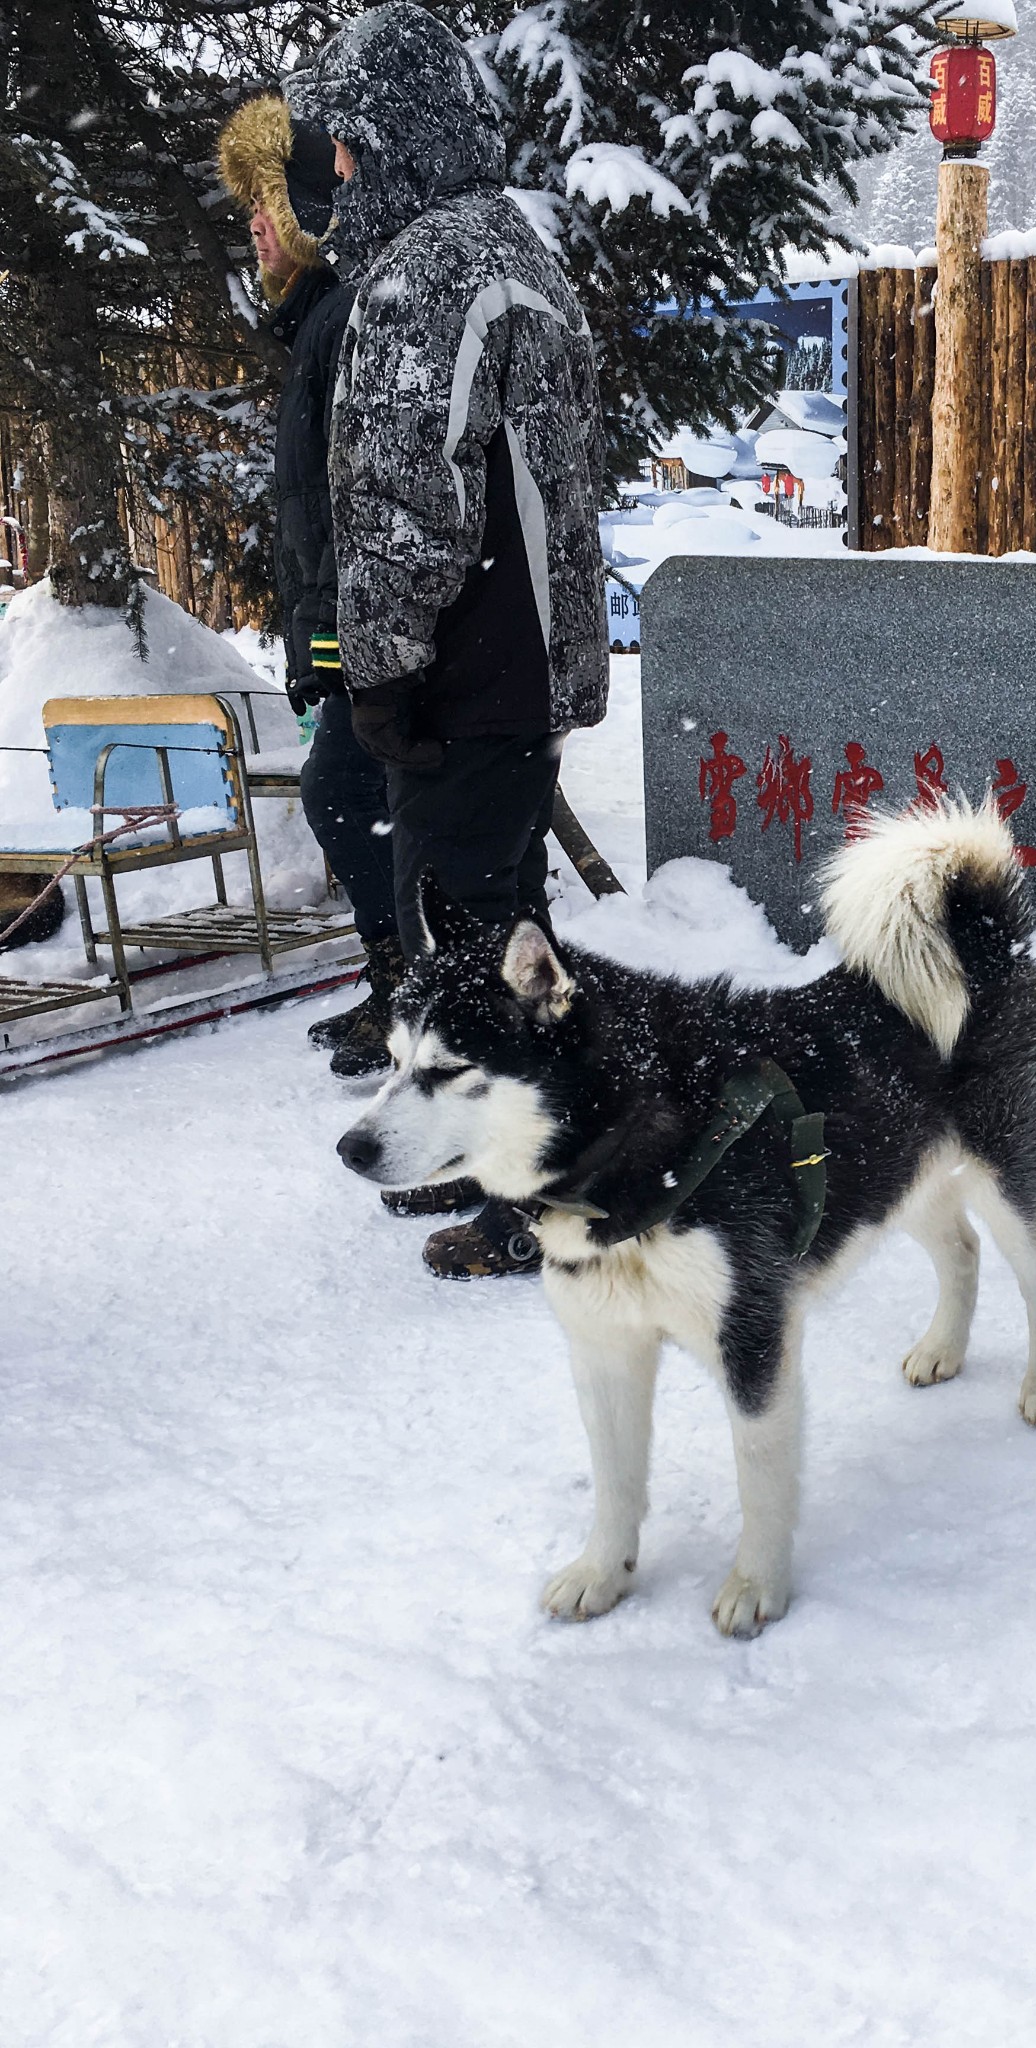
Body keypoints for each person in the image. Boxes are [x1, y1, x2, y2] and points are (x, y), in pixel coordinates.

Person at [287, 3, 609, 1280]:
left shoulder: (428, 272)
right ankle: (512, 1156)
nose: (337, 174)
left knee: (473, 939)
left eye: (347, 147)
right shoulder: (518, 249)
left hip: (461, 673)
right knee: (504, 935)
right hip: (517, 668)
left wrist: (379, 669)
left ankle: (542, 1183)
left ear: (391, 138)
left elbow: (408, 507)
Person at [217, 95, 406, 1080]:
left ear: (307, 209)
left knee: (345, 798)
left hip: (367, 634)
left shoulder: (342, 318)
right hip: (347, 631)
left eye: (267, 204)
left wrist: (334, 642)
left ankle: (414, 993)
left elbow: (360, 494)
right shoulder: (317, 323)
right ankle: (397, 989)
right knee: (351, 803)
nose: (253, 224)